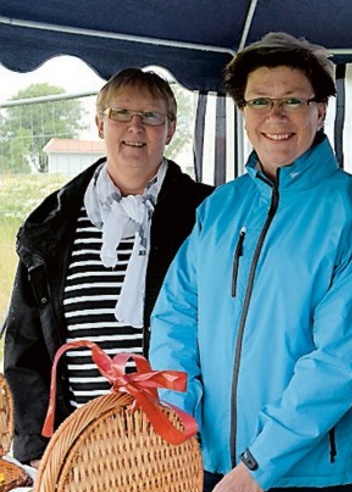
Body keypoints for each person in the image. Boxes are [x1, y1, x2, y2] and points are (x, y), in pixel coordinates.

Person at [149, 32, 352, 492]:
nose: (274, 116)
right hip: (212, 460)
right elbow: (175, 315)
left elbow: (337, 360)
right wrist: (178, 413)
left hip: (312, 476)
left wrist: (259, 463)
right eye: (260, 101)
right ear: (243, 110)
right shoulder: (219, 208)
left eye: (292, 101)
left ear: (319, 111)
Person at [4, 68, 213, 467]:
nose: (135, 127)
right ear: (100, 123)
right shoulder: (51, 224)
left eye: (151, 116)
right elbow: (24, 346)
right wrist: (35, 448)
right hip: (82, 445)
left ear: (169, 130)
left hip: (179, 443)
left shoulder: (205, 213)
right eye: (121, 113)